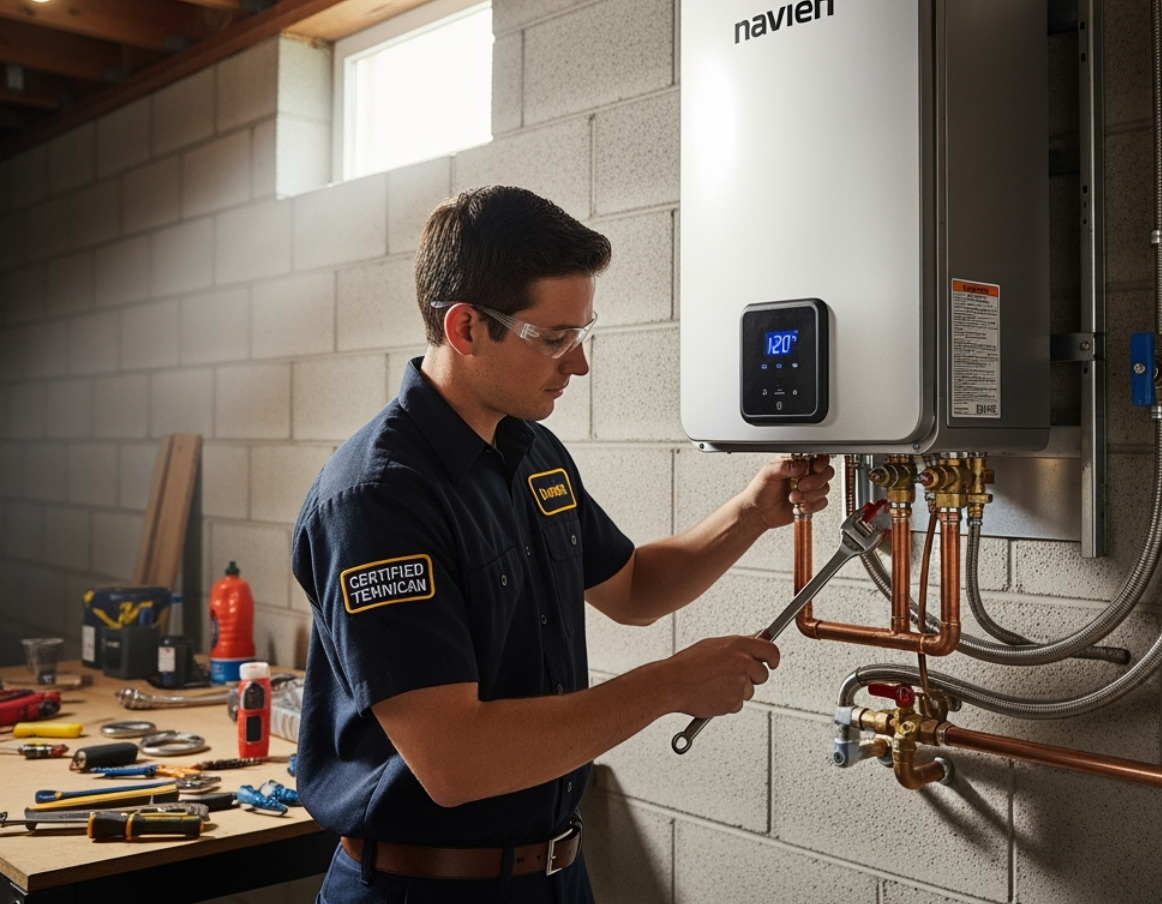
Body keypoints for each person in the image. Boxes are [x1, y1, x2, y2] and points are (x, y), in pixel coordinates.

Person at [291, 186, 833, 903]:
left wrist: (749, 513)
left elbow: (634, 588)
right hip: (423, 890)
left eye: (582, 333)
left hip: (553, 876)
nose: (577, 365)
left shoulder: (531, 452)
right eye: (553, 338)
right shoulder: (380, 498)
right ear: (465, 328)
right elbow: (456, 761)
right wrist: (668, 685)